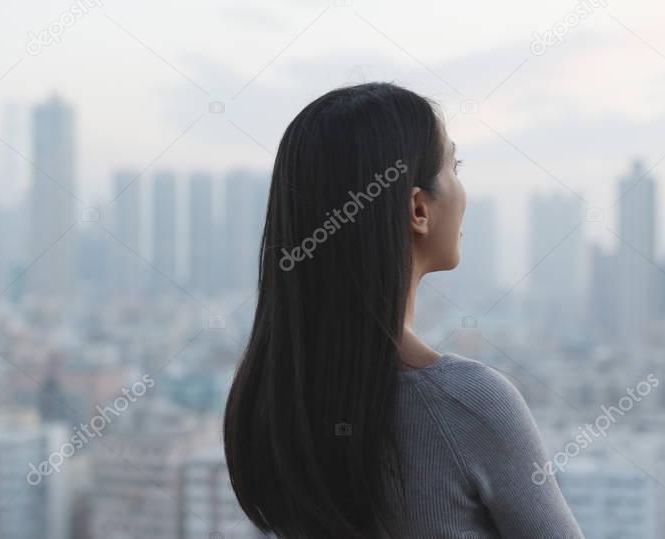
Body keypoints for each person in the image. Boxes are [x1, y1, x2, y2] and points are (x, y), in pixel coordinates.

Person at [223, 82, 583, 538]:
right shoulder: (468, 402)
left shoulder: (264, 396)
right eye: (455, 166)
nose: (462, 190)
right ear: (418, 208)